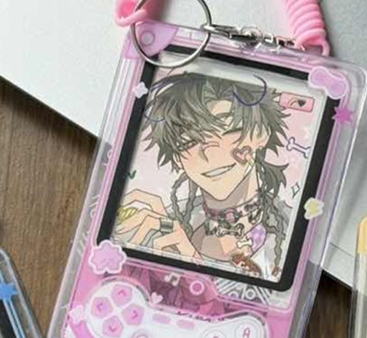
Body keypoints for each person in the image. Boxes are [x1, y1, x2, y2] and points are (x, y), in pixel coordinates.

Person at [114, 72, 291, 281]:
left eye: (227, 130)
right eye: (189, 142)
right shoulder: (167, 221)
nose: (210, 153)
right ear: (177, 158)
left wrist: (192, 264)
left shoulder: (289, 226)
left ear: (261, 133)